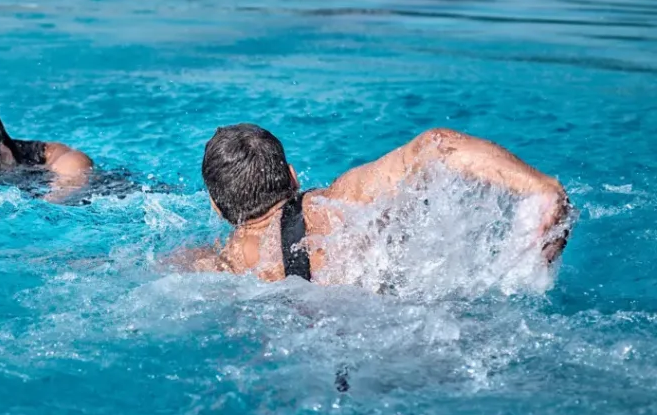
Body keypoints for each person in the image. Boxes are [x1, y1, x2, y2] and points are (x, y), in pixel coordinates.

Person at [177, 124, 571, 283]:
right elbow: (437, 145)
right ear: (293, 175)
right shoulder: (336, 208)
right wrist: (541, 187)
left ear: (216, 205)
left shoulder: (212, 269)